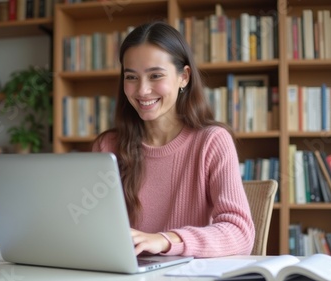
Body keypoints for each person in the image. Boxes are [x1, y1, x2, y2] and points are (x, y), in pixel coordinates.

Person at [92, 21, 255, 258]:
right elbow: (91, 228)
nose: (142, 91)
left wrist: (165, 241)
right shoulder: (108, 146)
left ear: (184, 77)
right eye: (131, 77)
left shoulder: (212, 142)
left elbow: (240, 234)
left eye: (155, 75)